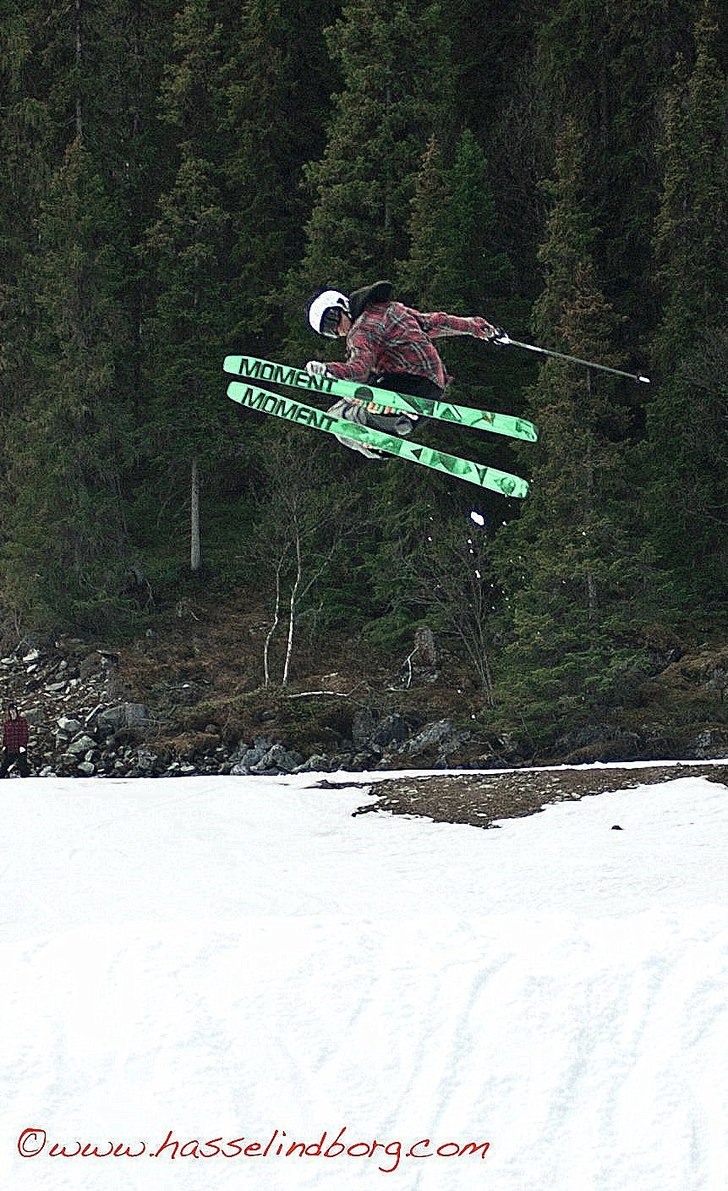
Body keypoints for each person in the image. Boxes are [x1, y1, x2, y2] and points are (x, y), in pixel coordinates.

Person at [305, 280, 506, 458]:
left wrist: (328, 372)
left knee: (336, 417)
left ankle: (381, 432)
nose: (338, 331)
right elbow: (436, 322)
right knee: (354, 400)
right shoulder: (393, 309)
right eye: (329, 332)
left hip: (400, 386)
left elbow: (358, 370)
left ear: (342, 306)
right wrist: (477, 327)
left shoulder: (361, 330)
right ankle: (394, 422)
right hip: (433, 387)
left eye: (333, 321)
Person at [0, 703, 30, 777]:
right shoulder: (7, 723)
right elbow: (6, 736)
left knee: (22, 766)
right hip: (10, 748)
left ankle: (27, 781)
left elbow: (25, 734)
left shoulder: (22, 721)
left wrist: (23, 745)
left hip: (20, 748)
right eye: (10, 710)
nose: (12, 712)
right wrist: (5, 745)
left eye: (13, 710)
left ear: (16, 711)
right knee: (5, 765)